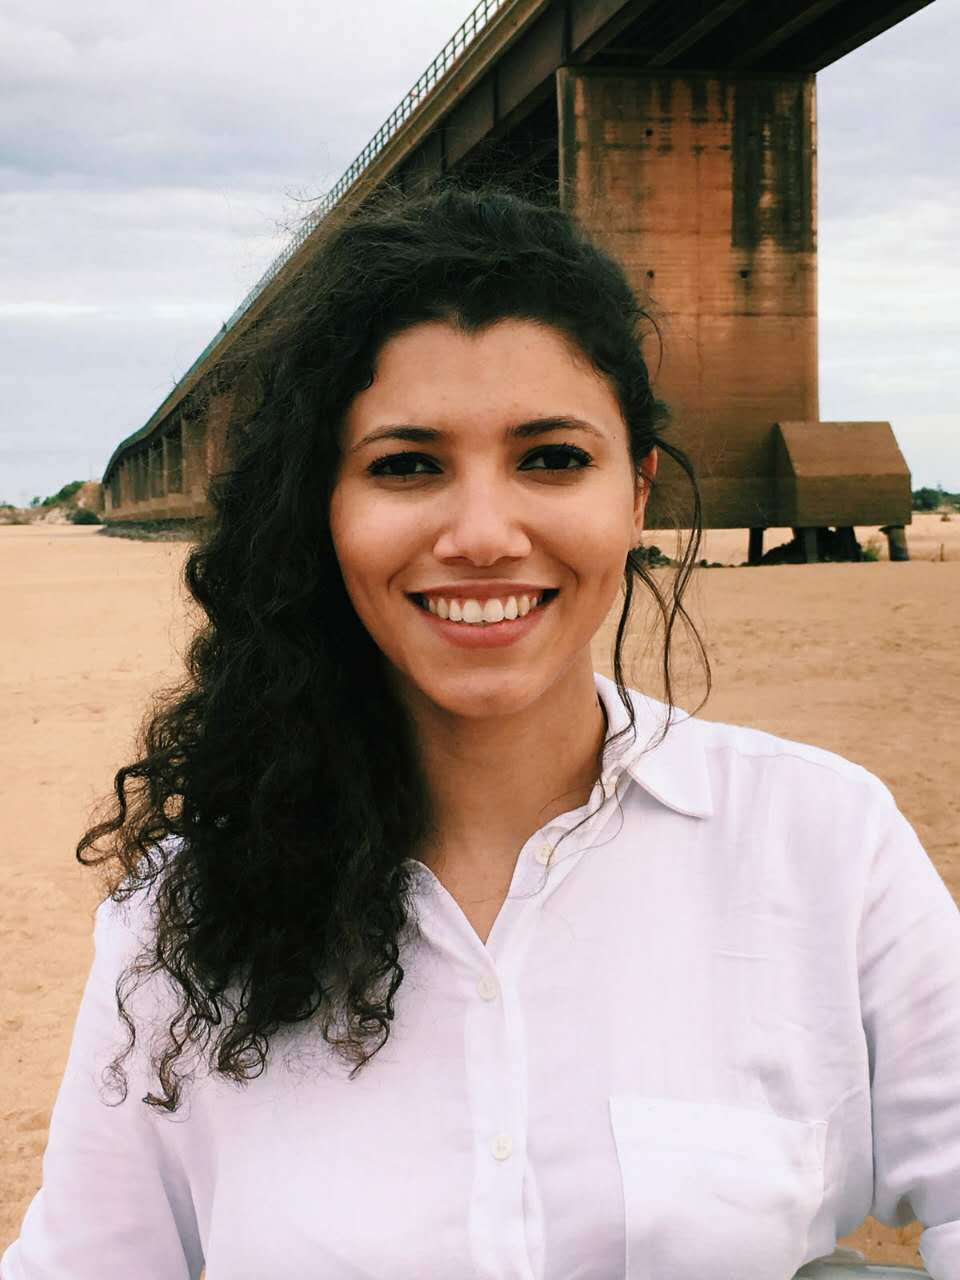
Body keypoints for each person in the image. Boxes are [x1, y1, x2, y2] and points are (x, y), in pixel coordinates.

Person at [3, 182, 958, 1280]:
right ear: (325, 508)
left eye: (551, 458)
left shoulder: (823, 842)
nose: (484, 534)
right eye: (407, 465)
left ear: (636, 492)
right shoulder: (178, 919)